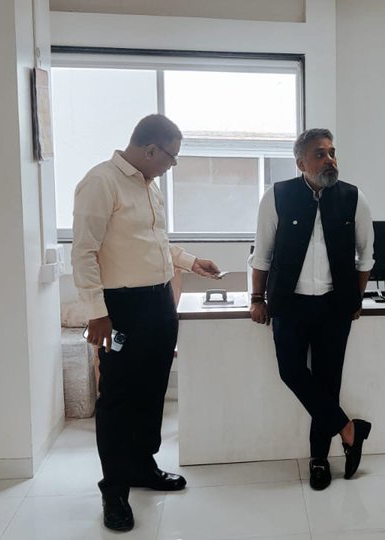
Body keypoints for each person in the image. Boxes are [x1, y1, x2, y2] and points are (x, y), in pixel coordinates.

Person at [72, 114, 222, 532]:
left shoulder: (148, 187)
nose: (172, 165)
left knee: (152, 389)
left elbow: (154, 243)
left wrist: (192, 262)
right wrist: (97, 313)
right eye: (170, 157)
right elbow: (83, 252)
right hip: (120, 307)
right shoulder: (100, 183)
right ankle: (115, 489)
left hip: (158, 302)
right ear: (150, 149)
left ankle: (142, 466)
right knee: (118, 398)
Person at [248, 128, 375, 491]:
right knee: (291, 371)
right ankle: (350, 429)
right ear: (301, 161)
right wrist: (258, 299)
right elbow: (262, 254)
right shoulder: (278, 196)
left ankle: (319, 459)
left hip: (335, 306)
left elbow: (365, 257)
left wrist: (354, 298)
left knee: (327, 382)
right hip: (289, 304)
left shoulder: (353, 198)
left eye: (332, 152)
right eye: (320, 154)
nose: (330, 159)